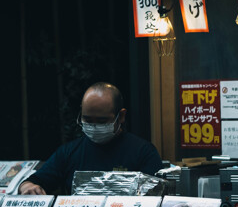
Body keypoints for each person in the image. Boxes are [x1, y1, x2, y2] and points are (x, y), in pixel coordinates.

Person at [19, 83, 163, 195]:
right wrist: (27, 186)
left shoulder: (143, 152)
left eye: (102, 121)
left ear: (121, 116)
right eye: (87, 120)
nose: (94, 126)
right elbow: (35, 181)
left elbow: (158, 195)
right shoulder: (69, 152)